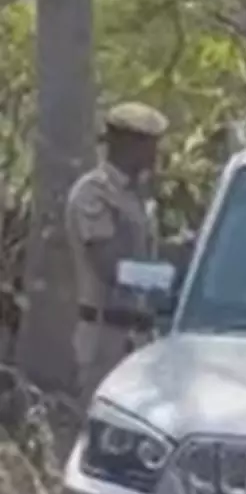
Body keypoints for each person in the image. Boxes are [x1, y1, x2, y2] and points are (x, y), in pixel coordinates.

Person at [66, 101, 169, 401]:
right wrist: (168, 279)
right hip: (105, 337)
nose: (154, 154)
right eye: (147, 144)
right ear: (124, 143)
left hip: (138, 337)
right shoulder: (94, 193)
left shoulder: (137, 197)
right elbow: (110, 267)